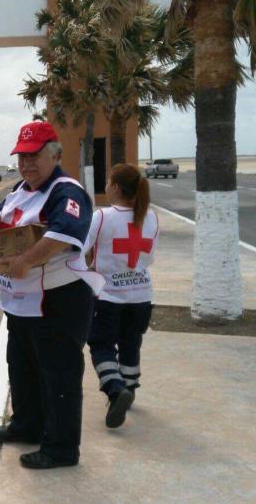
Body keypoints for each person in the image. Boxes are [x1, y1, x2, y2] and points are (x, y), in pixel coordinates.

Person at [0, 121, 104, 470]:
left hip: (58, 302)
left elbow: (65, 235)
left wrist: (25, 261)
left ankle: (61, 448)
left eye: (34, 156)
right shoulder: (19, 190)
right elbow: (2, 232)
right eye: (22, 157)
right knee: (22, 368)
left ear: (55, 155)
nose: (26, 164)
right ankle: (27, 424)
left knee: (58, 376)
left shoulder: (67, 192)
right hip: (22, 304)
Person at [83, 163, 159, 428]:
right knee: (131, 342)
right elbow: (148, 257)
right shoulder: (151, 217)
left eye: (107, 182)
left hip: (109, 298)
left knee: (101, 344)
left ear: (115, 187)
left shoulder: (103, 216)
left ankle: (115, 391)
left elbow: (82, 249)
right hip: (142, 296)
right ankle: (129, 387)